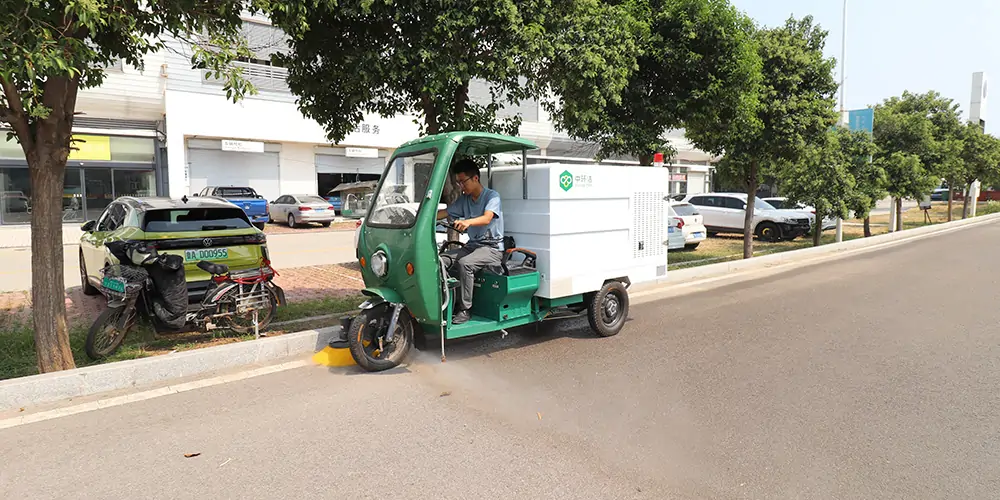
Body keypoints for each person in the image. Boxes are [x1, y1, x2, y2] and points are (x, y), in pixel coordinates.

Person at [437, 159, 504, 325]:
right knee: (440, 260)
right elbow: (446, 212)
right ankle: (447, 303)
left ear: (475, 178)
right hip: (472, 246)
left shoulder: (492, 196)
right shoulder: (465, 199)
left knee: (465, 263)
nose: (461, 186)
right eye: (458, 183)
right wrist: (423, 216)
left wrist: (467, 222)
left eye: (463, 182)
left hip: (492, 248)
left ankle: (465, 309)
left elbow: (487, 218)